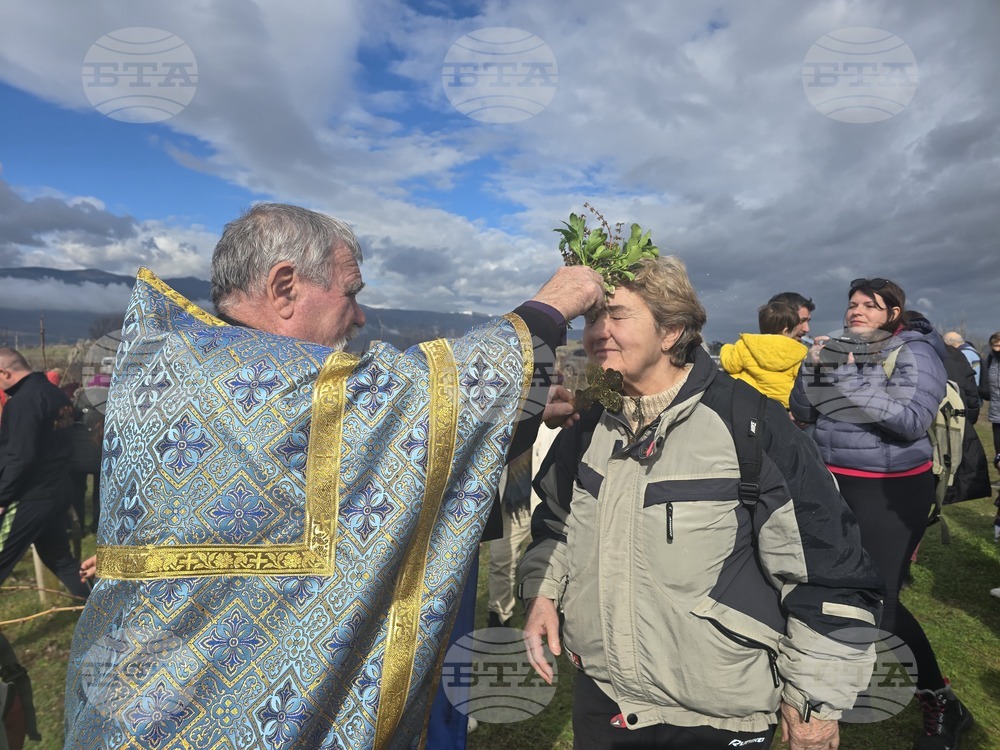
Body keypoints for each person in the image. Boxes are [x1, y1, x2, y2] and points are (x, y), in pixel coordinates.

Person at [64, 202, 604, 749]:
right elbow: (433, 396)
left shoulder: (176, 365)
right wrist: (551, 306)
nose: (362, 316)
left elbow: (403, 474)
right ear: (284, 287)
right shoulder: (265, 381)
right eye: (352, 292)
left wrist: (522, 414)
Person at [520, 256, 884, 750]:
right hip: (604, 701)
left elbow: (828, 574)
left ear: (671, 331)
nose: (598, 332)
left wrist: (813, 707)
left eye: (617, 315)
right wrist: (543, 591)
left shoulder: (750, 423)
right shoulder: (589, 421)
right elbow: (556, 523)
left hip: (716, 717)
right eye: (590, 318)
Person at [790, 278, 974, 749]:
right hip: (832, 483)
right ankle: (849, 686)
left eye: (869, 305)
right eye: (852, 304)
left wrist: (847, 377)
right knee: (836, 591)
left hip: (889, 491)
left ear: (893, 312)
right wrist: (811, 371)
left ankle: (941, 699)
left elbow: (909, 420)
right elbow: (806, 414)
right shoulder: (841, 348)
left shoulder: (915, 352)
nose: (856, 311)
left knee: (881, 602)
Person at [0, 348, 90, 601]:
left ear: (4, 372)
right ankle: (104, 610)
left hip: (30, 496)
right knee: (61, 560)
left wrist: (2, 498)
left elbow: (20, 456)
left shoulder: (23, 401)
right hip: (58, 490)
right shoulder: (55, 394)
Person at [486, 425, 557, 628]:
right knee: (501, 560)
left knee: (554, 559)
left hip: (546, 501)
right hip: (510, 503)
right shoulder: (503, 413)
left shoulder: (551, 417)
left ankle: (557, 613)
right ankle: (499, 616)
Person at [720, 299, 807, 408]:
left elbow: (731, 366)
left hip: (749, 401)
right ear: (785, 331)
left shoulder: (746, 344)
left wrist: (727, 348)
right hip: (783, 405)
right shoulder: (798, 352)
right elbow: (800, 380)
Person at [979, 331, 1000, 465]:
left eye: (998, 345)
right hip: (996, 409)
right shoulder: (990, 359)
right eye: (993, 346)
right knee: (998, 451)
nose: (996, 349)